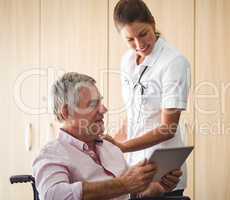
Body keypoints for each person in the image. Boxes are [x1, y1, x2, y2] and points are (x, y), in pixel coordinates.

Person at [32, 72, 182, 200]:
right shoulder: (51, 154)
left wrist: (157, 187)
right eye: (93, 104)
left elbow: (131, 193)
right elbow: (53, 195)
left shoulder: (110, 148)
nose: (104, 109)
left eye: (101, 102)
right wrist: (123, 184)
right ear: (66, 112)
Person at [105, 0, 191, 196]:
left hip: (163, 175)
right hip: (133, 173)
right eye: (130, 39)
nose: (139, 44)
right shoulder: (127, 61)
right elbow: (133, 116)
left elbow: (168, 128)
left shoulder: (174, 62)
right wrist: (109, 147)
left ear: (152, 23)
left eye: (143, 34)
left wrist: (123, 147)